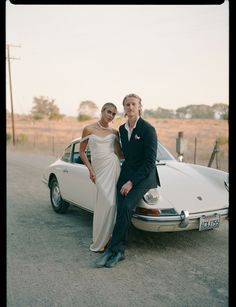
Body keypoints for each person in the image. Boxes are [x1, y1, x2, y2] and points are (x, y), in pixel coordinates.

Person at [95, 93, 161, 268]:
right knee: (119, 207)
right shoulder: (122, 130)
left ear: (140, 106)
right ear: (124, 108)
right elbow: (123, 154)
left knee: (126, 206)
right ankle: (115, 248)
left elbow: (149, 162)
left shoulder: (148, 129)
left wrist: (131, 182)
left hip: (145, 176)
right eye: (127, 105)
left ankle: (115, 251)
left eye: (133, 104)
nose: (130, 107)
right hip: (128, 172)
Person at [79, 103, 123, 252]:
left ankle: (109, 238)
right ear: (102, 111)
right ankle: (100, 239)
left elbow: (118, 153)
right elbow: (82, 152)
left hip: (112, 167)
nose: (110, 116)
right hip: (98, 171)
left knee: (112, 204)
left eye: (113, 114)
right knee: (104, 204)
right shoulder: (88, 129)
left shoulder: (114, 132)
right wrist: (90, 170)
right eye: (108, 112)